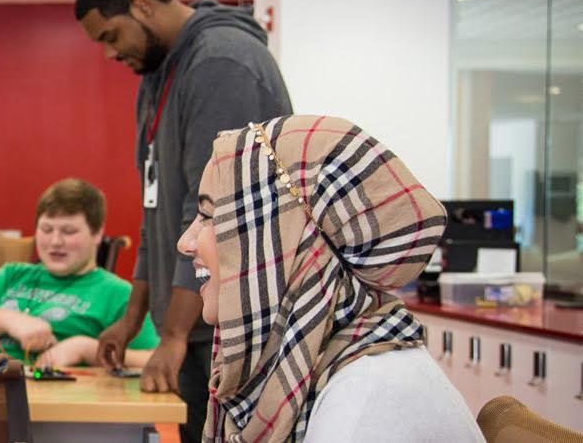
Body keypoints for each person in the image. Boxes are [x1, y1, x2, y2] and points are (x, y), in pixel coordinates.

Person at [74, 0, 294, 442]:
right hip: (198, 326)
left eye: (111, 36)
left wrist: (172, 334)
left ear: (143, 4)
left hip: (236, 331)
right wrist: (131, 319)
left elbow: (220, 214)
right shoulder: (158, 77)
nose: (110, 54)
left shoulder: (221, 63)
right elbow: (160, 211)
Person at [179, 115, 480, 442]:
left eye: (209, 217)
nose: (185, 242)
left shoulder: (365, 401)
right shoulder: (317, 366)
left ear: (275, 241)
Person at [0, 178, 158, 368]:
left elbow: (152, 359)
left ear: (97, 233)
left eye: (69, 231)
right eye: (46, 229)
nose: (55, 241)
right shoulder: (12, 274)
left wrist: (86, 349)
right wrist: (11, 321)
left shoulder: (118, 293)